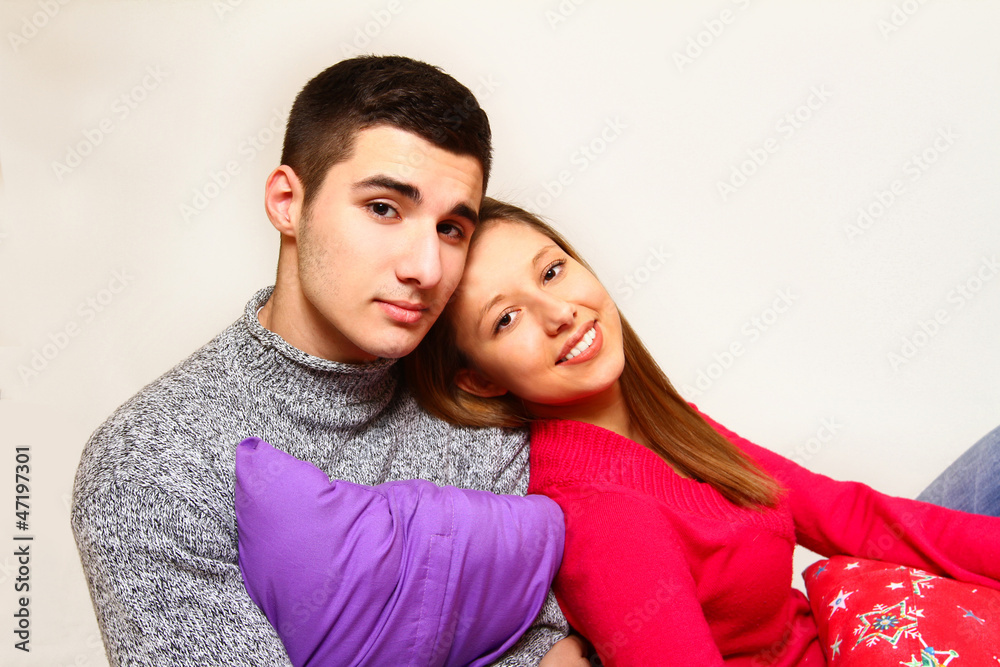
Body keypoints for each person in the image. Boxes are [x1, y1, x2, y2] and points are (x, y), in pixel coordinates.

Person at [71, 56, 584, 666]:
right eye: (384, 209)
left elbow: (552, 646)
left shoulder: (477, 404)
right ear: (288, 201)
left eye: (451, 229)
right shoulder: (153, 457)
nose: (423, 268)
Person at [406, 197, 1000, 666]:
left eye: (553, 272)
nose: (559, 313)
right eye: (506, 319)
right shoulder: (604, 518)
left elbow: (848, 515)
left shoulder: (653, 420)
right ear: (480, 380)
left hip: (864, 633)